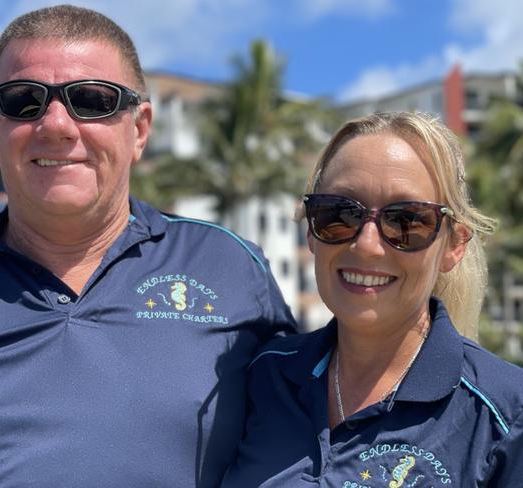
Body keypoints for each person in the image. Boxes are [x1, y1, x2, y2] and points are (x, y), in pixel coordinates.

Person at [0, 5, 295, 486]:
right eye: (22, 100)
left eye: (92, 100)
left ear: (139, 129)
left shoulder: (231, 266)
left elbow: (309, 441)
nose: (55, 124)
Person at [222, 111, 523, 487]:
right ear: (311, 233)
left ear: (454, 245)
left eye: (407, 221)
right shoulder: (264, 377)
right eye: (338, 214)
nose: (366, 246)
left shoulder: (506, 416)